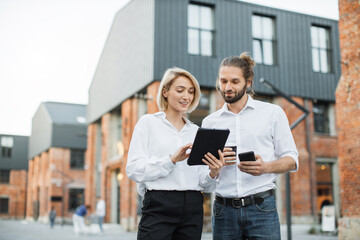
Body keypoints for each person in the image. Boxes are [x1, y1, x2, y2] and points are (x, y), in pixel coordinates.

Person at [202, 52, 299, 239]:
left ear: (248, 81)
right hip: (223, 212)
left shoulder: (272, 113)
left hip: (262, 208)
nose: (227, 87)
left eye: (234, 81)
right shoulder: (209, 122)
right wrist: (214, 169)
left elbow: (292, 159)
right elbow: (204, 179)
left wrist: (266, 167)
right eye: (223, 81)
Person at [126, 67, 225, 240]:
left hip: (193, 206)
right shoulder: (148, 123)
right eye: (180, 90)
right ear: (165, 91)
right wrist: (171, 160)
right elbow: (133, 169)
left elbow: (205, 185)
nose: (186, 96)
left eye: (191, 91)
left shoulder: (196, 131)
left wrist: (213, 172)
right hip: (159, 205)